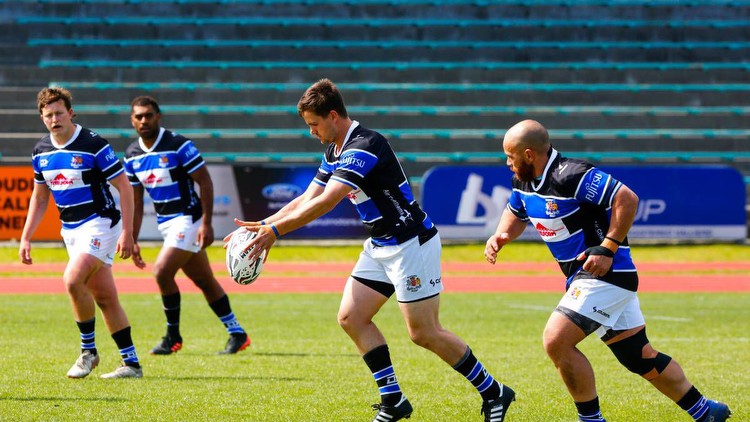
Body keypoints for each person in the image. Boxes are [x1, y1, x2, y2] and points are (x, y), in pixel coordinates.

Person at [227, 79, 515, 422]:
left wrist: (276, 232)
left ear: (333, 116)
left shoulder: (364, 145)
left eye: (314, 125)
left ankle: (494, 392)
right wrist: (264, 225)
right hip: (381, 246)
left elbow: (328, 201)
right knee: (351, 317)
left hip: (411, 244)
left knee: (423, 332)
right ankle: (393, 400)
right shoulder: (334, 150)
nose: (312, 132)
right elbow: (308, 197)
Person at [484, 119, 732, 422]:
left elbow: (626, 198)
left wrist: (607, 248)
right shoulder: (523, 180)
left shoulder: (572, 175)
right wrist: (501, 236)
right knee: (639, 357)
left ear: (529, 154)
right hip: (585, 277)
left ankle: (591, 420)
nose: (507, 163)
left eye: (510, 156)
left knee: (556, 340)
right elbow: (516, 210)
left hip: (605, 273)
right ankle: (705, 411)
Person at [19, 87, 143, 379]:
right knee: (104, 297)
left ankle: (88, 352)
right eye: (48, 115)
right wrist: (26, 237)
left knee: (72, 279)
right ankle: (132, 363)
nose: (54, 119)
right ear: (42, 117)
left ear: (71, 113)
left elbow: (124, 186)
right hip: (71, 231)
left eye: (59, 113)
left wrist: (128, 232)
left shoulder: (93, 144)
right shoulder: (41, 151)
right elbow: (39, 198)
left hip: (101, 223)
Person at [123, 96, 250, 355]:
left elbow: (205, 181)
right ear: (132, 120)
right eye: (139, 116)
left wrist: (207, 223)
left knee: (161, 272)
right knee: (204, 280)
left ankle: (173, 337)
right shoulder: (131, 155)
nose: (144, 120)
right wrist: (132, 238)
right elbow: (135, 200)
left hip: (188, 219)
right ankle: (237, 333)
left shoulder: (178, 145)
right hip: (166, 224)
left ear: (158, 116)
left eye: (148, 115)